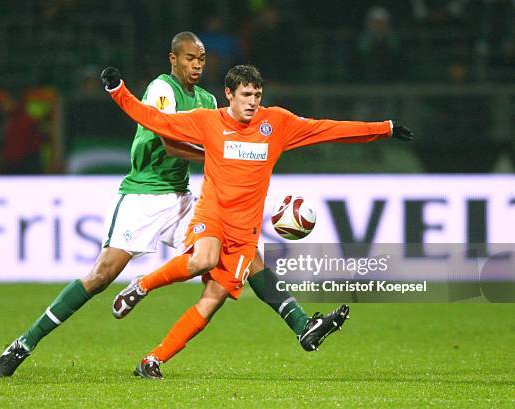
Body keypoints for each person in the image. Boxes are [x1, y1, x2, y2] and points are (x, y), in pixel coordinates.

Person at [0, 32, 314, 377]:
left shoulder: (207, 100)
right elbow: (170, 143)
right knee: (102, 275)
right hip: (143, 195)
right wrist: (223, 154)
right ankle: (25, 342)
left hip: (182, 196)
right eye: (190, 58)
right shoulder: (162, 89)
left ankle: (301, 324)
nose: (196, 65)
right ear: (173, 59)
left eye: (201, 59)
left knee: (245, 254)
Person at [102, 64, 413, 379]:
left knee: (212, 300)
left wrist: (383, 129)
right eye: (246, 95)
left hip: (245, 230)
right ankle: (141, 285)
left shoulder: (276, 123)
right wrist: (119, 92)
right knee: (203, 259)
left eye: (257, 95)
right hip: (213, 213)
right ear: (229, 95)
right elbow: (156, 119)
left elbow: (328, 129)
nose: (252, 101)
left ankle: (152, 361)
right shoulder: (208, 121)